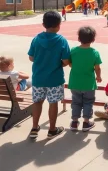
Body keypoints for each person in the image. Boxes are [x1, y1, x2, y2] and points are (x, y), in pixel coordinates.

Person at [28, 11, 71, 140]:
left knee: (37, 102)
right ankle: (52, 129)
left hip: (38, 78)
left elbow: (31, 57)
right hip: (55, 79)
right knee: (53, 103)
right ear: (59, 25)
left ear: (43, 24)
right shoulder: (62, 40)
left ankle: (35, 128)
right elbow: (66, 61)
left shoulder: (36, 39)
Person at [68, 26, 102, 132]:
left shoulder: (73, 50)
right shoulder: (94, 53)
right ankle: (86, 122)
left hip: (75, 82)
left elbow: (69, 63)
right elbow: (97, 67)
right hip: (89, 84)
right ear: (93, 40)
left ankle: (74, 122)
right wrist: (99, 76)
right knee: (88, 102)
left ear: (79, 38)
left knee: (76, 102)